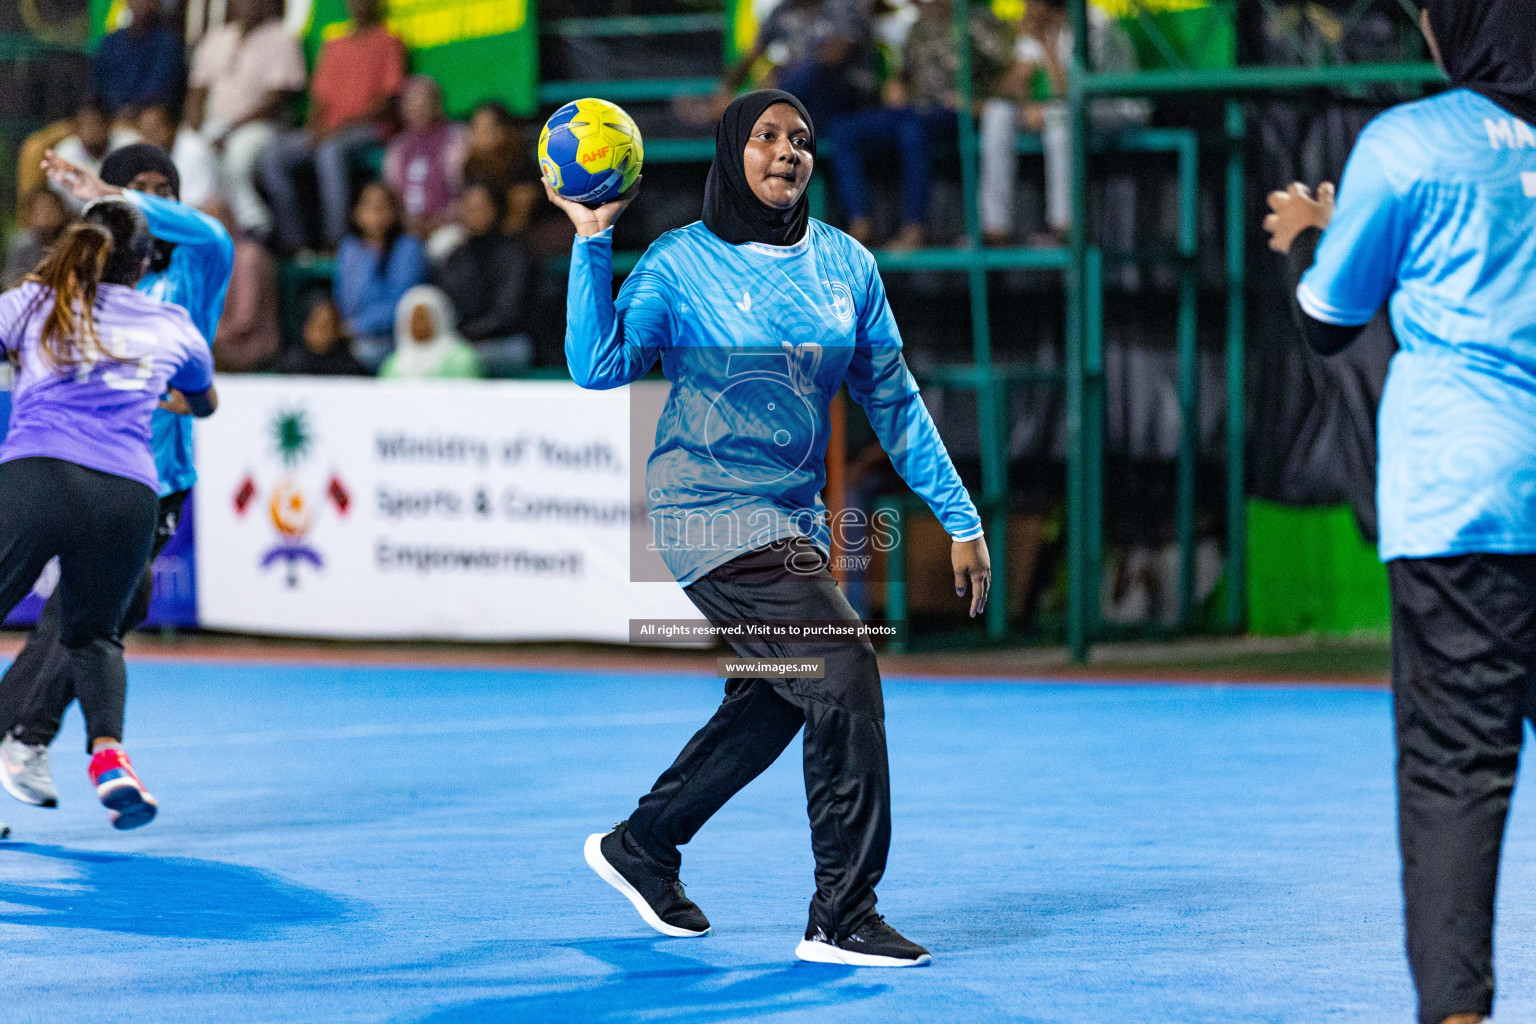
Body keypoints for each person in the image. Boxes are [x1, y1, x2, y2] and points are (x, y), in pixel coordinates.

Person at [556, 90, 989, 967]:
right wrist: (591, 240)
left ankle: (645, 842)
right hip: (704, 513)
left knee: (779, 693)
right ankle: (843, 915)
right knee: (844, 663)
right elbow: (597, 366)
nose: (787, 151)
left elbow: (897, 406)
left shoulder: (848, 267)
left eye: (802, 138)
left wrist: (960, 516)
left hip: (788, 522)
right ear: (730, 152)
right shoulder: (681, 262)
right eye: (765, 137)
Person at [1261, 5, 1536, 1024]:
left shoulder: (1411, 142)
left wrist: (1315, 240)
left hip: (1462, 506)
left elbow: (1332, 320)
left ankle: (1459, 1013)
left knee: (1456, 768)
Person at [0, 144, 233, 813]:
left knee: (97, 612)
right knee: (94, 620)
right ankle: (41, 740)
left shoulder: (196, 269)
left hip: (150, 477)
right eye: (138, 191)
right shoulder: (160, 319)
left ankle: (27, 738)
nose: (152, 202)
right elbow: (206, 395)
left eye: (164, 191)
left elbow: (211, 231)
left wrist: (108, 189)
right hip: (126, 484)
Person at [824, 0, 1012, 248]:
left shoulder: (980, 21)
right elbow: (906, 74)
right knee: (842, 129)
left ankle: (915, 227)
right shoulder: (919, 27)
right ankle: (859, 224)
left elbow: (1008, 71)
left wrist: (977, 101)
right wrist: (897, 85)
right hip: (916, 110)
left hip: (957, 111)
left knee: (912, 130)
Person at [978, 0, 1147, 245]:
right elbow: (1010, 87)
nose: (1025, 8)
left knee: (1059, 118)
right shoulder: (1040, 26)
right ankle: (994, 229)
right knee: (997, 113)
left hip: (1118, 107)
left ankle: (1065, 228)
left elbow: (1071, 90)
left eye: (1030, 3)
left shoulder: (1093, 23)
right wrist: (1023, 93)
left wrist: (1044, 45)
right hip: (1072, 107)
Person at [259, 0, 406, 253]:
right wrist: (314, 129)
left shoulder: (388, 41)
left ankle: (334, 240)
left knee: (330, 151)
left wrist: (334, 130)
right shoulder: (335, 43)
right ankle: (295, 242)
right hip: (327, 131)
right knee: (271, 158)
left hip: (368, 129)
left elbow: (385, 104)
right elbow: (319, 99)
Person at [185, 0, 307, 239]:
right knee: (190, 150)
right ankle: (201, 225)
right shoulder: (217, 37)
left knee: (238, 154)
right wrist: (193, 126)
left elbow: (276, 102)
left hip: (261, 125)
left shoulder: (281, 38)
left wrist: (230, 130)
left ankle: (253, 224)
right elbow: (197, 91)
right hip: (216, 125)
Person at [699, 0, 876, 134]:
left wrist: (782, 73)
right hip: (798, 101)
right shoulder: (782, 11)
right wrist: (725, 90)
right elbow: (751, 55)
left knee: (811, 72)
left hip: (844, 100)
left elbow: (838, 55)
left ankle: (749, 110)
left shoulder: (844, 6)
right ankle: (742, 110)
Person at [429, 182, 533, 374]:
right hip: (459, 342)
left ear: (496, 209)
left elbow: (508, 311)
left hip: (505, 341)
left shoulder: (513, 254)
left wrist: (466, 334)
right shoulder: (455, 256)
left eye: (481, 207)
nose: (475, 213)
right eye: (469, 207)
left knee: (456, 362)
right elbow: (441, 301)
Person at [335, 181, 427, 371]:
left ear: (394, 211)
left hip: (391, 339)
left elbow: (403, 304)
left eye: (381, 206)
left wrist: (358, 326)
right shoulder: (349, 249)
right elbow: (343, 299)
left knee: (363, 353)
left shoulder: (407, 248)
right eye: (367, 205)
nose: (374, 212)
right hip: (353, 336)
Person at [384, 76, 468, 240]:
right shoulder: (398, 147)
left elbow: (466, 192)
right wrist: (407, 222)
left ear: (438, 104)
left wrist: (439, 220)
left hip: (449, 225)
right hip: (407, 228)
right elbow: (392, 195)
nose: (418, 108)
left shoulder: (458, 138)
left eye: (424, 102)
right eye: (411, 103)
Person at [205, 200, 280, 372]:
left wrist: (209, 336)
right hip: (218, 346)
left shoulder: (248, 255)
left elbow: (245, 319)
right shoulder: (208, 258)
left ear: (230, 220)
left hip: (248, 349)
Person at [91, 0, 186, 121]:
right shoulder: (111, 42)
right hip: (107, 119)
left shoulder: (167, 44)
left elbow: (160, 90)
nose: (140, 3)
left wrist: (133, 110)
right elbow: (97, 85)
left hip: (146, 122)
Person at [460, 101, 542, 238]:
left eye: (485, 129)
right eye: (475, 128)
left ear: (502, 131)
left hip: (528, 235)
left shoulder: (522, 165)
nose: (477, 135)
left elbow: (517, 221)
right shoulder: (471, 167)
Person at [378, 285, 482, 379]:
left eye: (423, 318)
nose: (419, 325)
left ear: (440, 319)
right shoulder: (392, 365)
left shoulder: (462, 361)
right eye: (414, 319)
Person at [51, 101, 138, 207]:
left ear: (108, 125)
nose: (90, 130)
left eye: (95, 123)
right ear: (75, 129)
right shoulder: (63, 154)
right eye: (84, 125)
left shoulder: (132, 145)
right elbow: (60, 201)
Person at [135, 104, 220, 210]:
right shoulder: (147, 152)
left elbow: (197, 202)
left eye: (154, 130)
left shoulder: (194, 150)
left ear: (171, 128)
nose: (149, 137)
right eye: (144, 131)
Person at [276, 295, 369, 375]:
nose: (323, 333)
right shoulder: (290, 366)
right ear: (306, 327)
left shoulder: (351, 368)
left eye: (329, 325)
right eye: (320, 326)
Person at [3, 188, 70, 289]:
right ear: (31, 214)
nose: (46, 215)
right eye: (40, 210)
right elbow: (11, 281)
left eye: (50, 208)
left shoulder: (72, 242)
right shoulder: (23, 245)